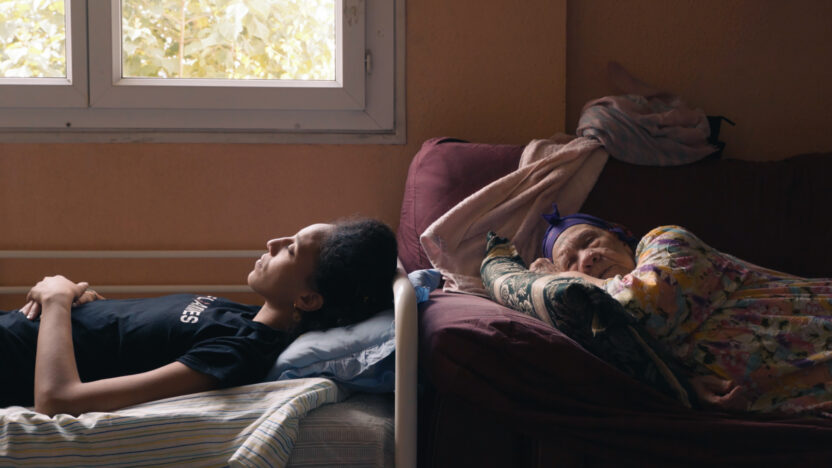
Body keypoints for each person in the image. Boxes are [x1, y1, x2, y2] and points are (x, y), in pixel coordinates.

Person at [0, 218, 398, 416]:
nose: (272, 243)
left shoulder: (238, 353)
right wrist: (81, 304)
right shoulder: (241, 318)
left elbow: (58, 401)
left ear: (308, 299)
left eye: (290, 250)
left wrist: (56, 300)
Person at [530, 205, 832, 415]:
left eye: (589, 241)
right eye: (571, 261)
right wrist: (684, 382)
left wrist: (568, 276)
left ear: (621, 235)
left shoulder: (667, 242)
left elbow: (635, 306)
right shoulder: (609, 328)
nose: (587, 258)